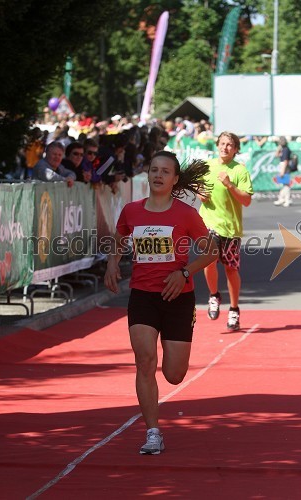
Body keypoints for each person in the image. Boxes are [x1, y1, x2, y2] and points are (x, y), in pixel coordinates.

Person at [104, 150, 218, 455]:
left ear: (175, 179)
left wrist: (184, 272)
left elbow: (210, 252)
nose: (158, 175)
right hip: (143, 295)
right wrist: (112, 263)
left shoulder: (186, 214)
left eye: (165, 171)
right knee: (144, 362)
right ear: (148, 174)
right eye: (154, 170)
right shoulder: (132, 210)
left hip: (178, 298)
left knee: (173, 374)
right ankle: (153, 432)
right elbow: (120, 235)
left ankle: (172, 349)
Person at [198, 131, 253, 330]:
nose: (224, 147)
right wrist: (200, 194)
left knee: (230, 269)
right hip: (209, 223)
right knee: (209, 260)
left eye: (229, 145)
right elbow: (200, 188)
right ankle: (213, 295)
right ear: (217, 145)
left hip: (231, 228)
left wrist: (230, 185)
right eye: (222, 143)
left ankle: (234, 309)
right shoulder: (208, 166)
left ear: (236, 149)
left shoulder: (240, 171)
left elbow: (246, 200)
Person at [273, 136, 292, 207]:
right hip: (282, 166)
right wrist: (278, 148)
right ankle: (282, 198)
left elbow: (285, 161)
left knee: (286, 184)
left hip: (285, 167)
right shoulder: (283, 149)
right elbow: (276, 155)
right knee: (284, 184)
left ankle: (287, 199)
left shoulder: (286, 149)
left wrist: (282, 171)